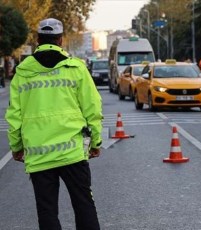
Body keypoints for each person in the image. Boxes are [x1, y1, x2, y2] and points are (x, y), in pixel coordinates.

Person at [5, 18, 103, 230]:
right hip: (72, 153)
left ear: (38, 39)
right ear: (61, 40)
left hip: (40, 155)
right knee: (84, 204)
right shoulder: (75, 67)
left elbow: (14, 116)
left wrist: (16, 147)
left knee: (47, 210)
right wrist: (96, 141)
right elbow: (92, 107)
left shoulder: (22, 72)